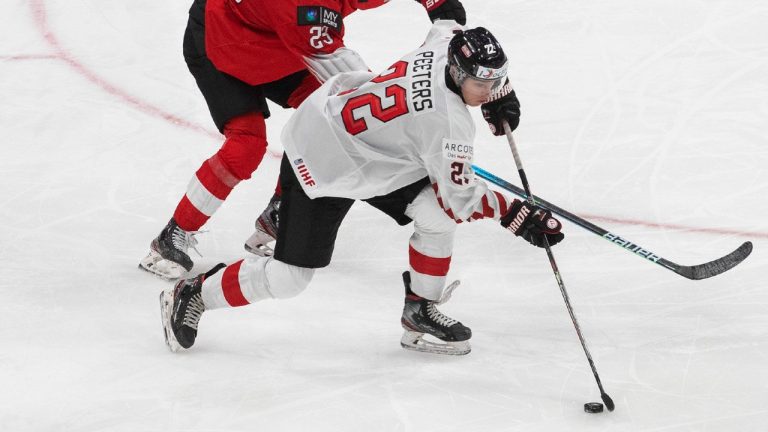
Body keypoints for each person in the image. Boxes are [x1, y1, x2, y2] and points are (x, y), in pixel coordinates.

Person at [159, 22, 565, 356]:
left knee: (434, 216)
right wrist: (517, 215)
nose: (491, 87)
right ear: (458, 74)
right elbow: (460, 198)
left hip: (370, 150)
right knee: (289, 278)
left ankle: (419, 310)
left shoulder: (446, 46)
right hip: (321, 159)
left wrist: (498, 93)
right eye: (483, 82)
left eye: (499, 78)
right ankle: (194, 293)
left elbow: (447, 22)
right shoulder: (446, 123)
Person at [139, 0, 468, 280]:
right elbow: (353, 90)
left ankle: (279, 213)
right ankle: (174, 234)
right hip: (221, 43)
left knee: (327, 123)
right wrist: (400, 122)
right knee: (247, 146)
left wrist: (443, 12)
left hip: (277, 42)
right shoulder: (303, 9)